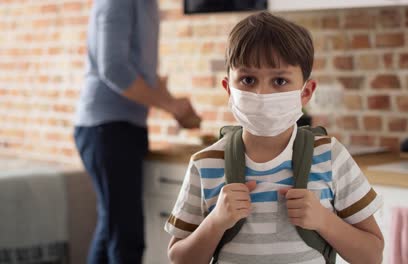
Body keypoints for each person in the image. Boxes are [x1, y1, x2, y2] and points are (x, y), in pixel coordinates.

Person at [164, 11, 384, 264]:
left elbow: (372, 255)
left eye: (279, 80)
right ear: (228, 89)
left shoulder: (330, 157)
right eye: (248, 80)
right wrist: (215, 222)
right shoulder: (206, 164)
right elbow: (180, 258)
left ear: (306, 92)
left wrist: (324, 221)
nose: (261, 94)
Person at [73, 0, 201, 263]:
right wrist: (171, 105)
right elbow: (114, 69)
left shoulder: (148, 5)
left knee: (113, 228)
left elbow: (142, 76)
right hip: (104, 129)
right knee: (125, 235)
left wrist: (176, 107)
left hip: (125, 129)